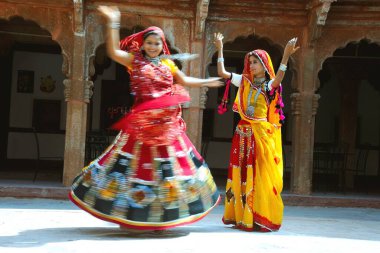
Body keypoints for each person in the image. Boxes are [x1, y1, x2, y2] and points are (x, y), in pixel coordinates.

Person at [69, 5, 222, 231]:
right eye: (149, 43)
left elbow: (185, 80)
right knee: (132, 170)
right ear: (143, 44)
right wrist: (114, 21)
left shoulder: (168, 65)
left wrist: (207, 82)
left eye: (157, 43)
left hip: (166, 129)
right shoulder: (134, 62)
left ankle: (162, 217)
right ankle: (130, 215)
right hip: (140, 128)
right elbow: (112, 51)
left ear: (163, 46)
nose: (152, 47)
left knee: (167, 173)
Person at [213, 32, 299, 232]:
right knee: (240, 173)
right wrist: (220, 48)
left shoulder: (269, 85)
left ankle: (256, 216)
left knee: (256, 175)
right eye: (249, 62)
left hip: (259, 137)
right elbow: (222, 72)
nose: (251, 65)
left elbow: (279, 78)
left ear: (264, 64)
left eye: (255, 62)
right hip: (241, 134)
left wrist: (286, 55)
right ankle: (240, 216)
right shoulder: (244, 81)